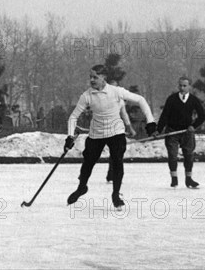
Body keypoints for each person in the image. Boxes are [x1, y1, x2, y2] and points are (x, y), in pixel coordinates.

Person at [65, 64, 157, 209]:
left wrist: (151, 122)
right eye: (90, 77)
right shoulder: (87, 96)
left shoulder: (116, 91)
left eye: (95, 77)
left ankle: (116, 195)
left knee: (117, 162)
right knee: (88, 163)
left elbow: (141, 100)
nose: (92, 80)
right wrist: (70, 136)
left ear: (104, 78)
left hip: (116, 133)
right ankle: (82, 187)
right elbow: (73, 117)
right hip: (96, 134)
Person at [156, 76, 205, 188]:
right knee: (172, 155)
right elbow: (164, 116)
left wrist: (193, 126)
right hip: (172, 132)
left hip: (187, 132)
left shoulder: (193, 100)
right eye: (180, 85)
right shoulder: (172, 99)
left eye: (185, 86)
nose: (182, 88)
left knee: (189, 155)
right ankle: (174, 179)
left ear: (189, 87)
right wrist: (158, 130)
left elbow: (202, 116)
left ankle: (189, 179)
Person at [105, 80, 137, 183]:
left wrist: (130, 128)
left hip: (118, 129)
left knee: (118, 152)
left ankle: (113, 174)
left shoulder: (120, 100)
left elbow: (124, 115)